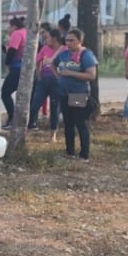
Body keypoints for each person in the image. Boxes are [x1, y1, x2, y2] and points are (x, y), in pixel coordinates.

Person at [52, 28, 98, 162]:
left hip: (78, 94)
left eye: (72, 40)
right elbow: (52, 64)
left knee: (81, 124)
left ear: (80, 41)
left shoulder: (86, 55)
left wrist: (71, 73)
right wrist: (58, 77)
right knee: (68, 123)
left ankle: (84, 155)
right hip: (64, 94)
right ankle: (70, 152)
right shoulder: (63, 54)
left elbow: (91, 75)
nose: (68, 43)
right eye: (67, 40)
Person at [29, 28, 63, 141]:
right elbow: (38, 61)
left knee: (55, 108)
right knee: (34, 105)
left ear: (54, 39)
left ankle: (53, 133)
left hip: (57, 83)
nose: (45, 40)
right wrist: (38, 75)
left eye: (48, 38)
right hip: (43, 81)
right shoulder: (44, 49)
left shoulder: (64, 50)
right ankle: (30, 125)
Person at [0, 16, 27, 128]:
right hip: (26, 69)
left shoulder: (16, 34)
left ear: (14, 26)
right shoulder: (26, 33)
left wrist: (7, 62)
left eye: (9, 26)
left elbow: (12, 50)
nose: (8, 29)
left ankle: (12, 118)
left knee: (5, 93)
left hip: (16, 69)